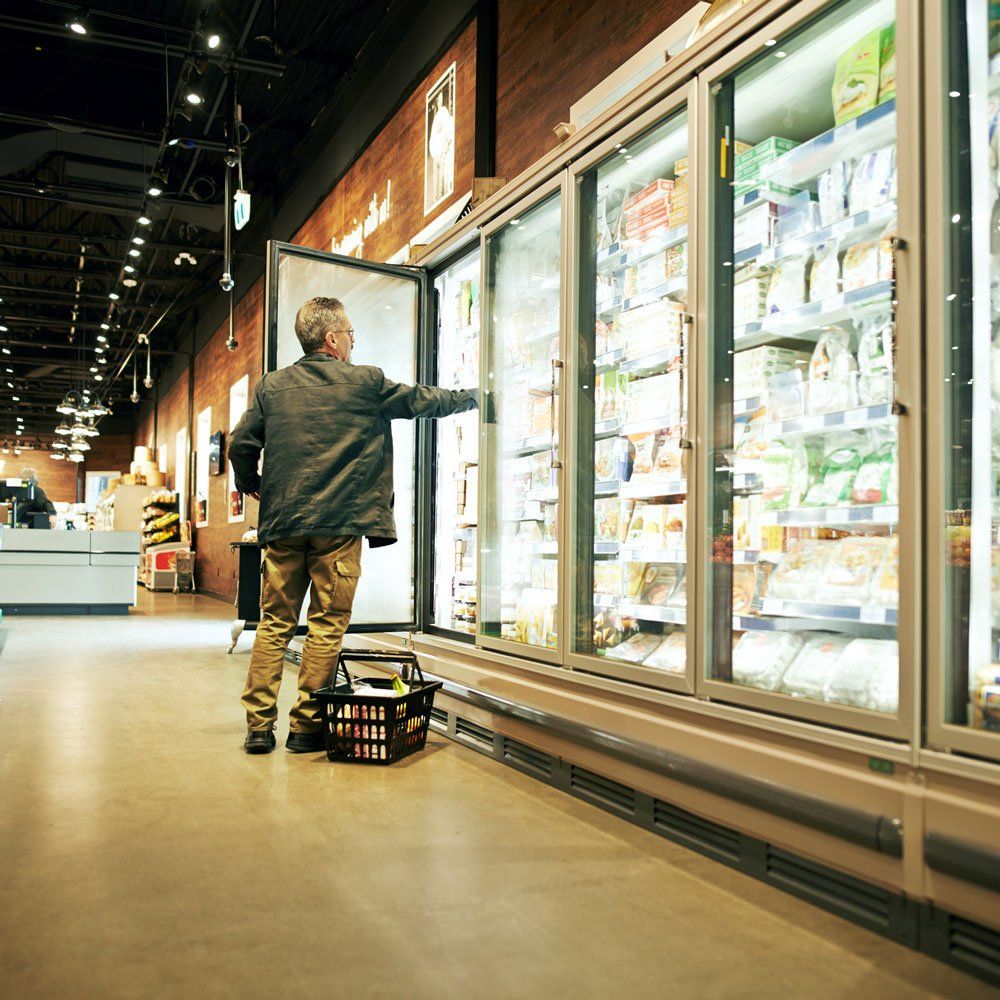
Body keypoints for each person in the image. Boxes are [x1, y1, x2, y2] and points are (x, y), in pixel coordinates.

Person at [229, 296, 478, 755]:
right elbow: (424, 401)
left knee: (273, 624)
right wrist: (474, 398)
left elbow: (240, 444)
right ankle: (306, 728)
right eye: (349, 333)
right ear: (332, 339)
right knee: (326, 625)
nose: (352, 340)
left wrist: (253, 484)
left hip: (284, 525)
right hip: (339, 528)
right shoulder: (366, 382)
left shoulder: (271, 387)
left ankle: (259, 728)